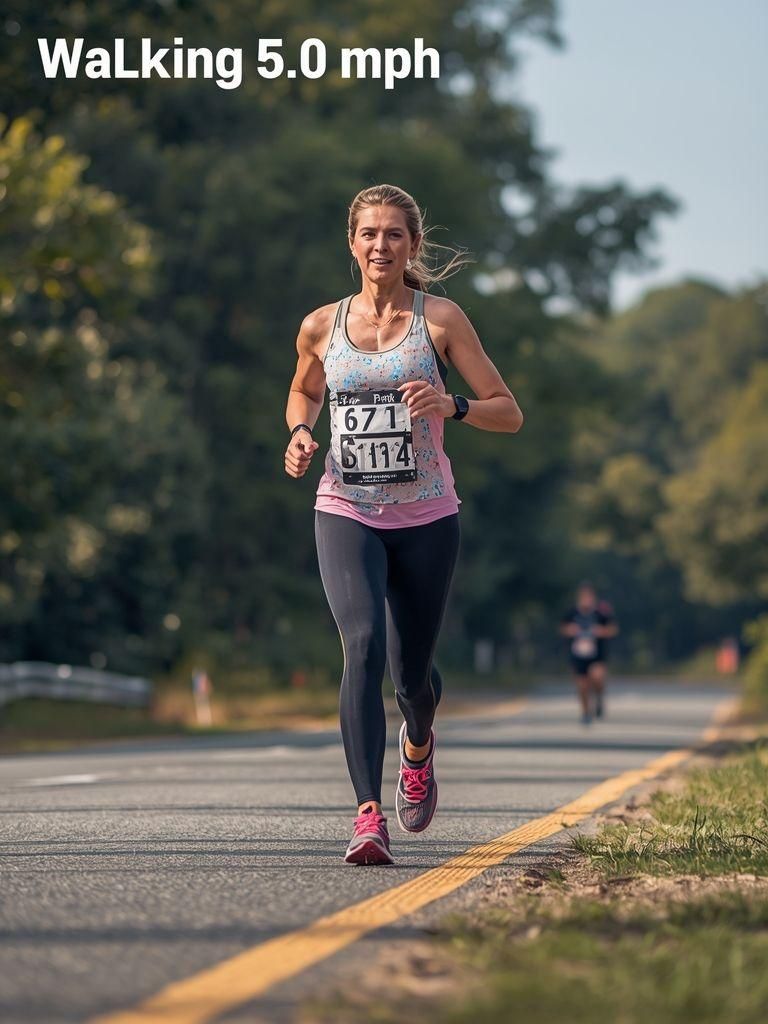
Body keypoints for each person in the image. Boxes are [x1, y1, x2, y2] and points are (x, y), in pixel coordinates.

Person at [284, 184, 523, 865]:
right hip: (346, 509)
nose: (381, 245)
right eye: (369, 234)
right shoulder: (320, 325)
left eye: (394, 234)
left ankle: (417, 744)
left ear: (412, 245)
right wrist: (301, 431)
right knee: (359, 644)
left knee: (409, 676)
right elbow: (303, 387)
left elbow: (509, 410)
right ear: (352, 243)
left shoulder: (440, 321)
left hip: (426, 519)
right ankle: (367, 817)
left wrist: (454, 405)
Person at [560, 582, 618, 724]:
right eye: (584, 597)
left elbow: (613, 629)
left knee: (597, 677)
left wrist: (601, 631)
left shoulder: (600, 613)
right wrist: (571, 630)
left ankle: (598, 698)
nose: (587, 600)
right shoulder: (572, 613)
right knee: (582, 686)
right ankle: (586, 712)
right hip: (578, 655)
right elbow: (563, 628)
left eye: (589, 597)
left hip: (597, 654)